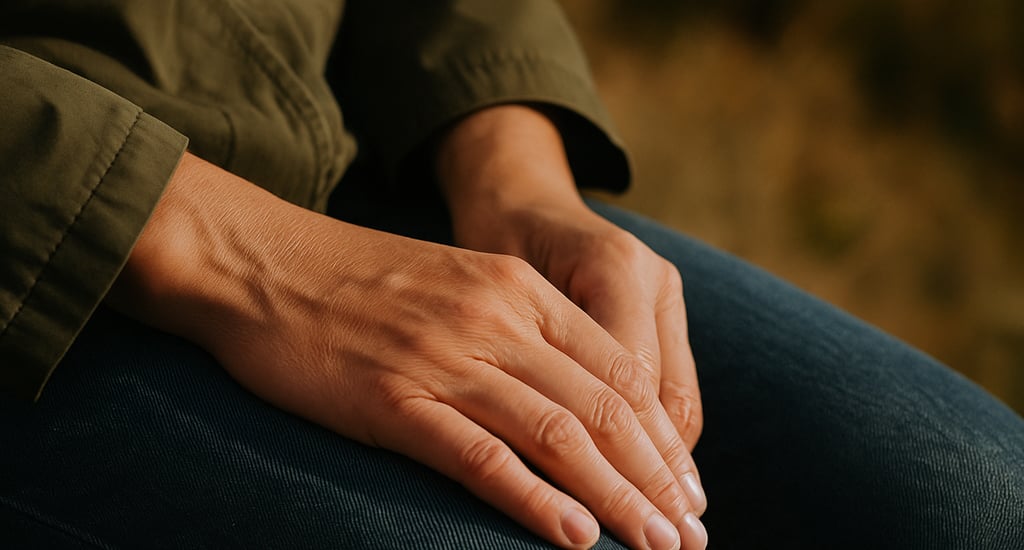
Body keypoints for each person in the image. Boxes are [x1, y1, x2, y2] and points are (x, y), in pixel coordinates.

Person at [1, 1, 1021, 549]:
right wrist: (243, 254)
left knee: (980, 497)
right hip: (47, 276)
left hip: (351, 165)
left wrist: (513, 169)